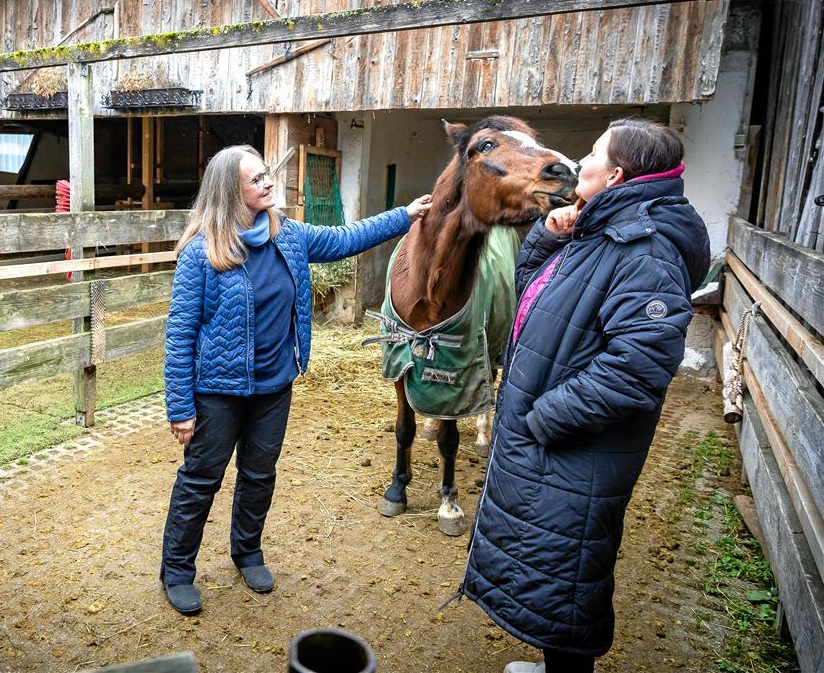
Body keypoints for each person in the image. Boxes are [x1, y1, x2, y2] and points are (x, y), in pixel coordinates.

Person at [459, 119, 710, 673]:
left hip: (573, 445)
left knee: (568, 571)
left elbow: (637, 370)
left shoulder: (644, 250)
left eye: (593, 151)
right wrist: (550, 234)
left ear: (616, 174)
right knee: (552, 566)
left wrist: (543, 417)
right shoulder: (599, 231)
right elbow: (533, 293)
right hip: (555, 443)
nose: (580, 158)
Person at [161, 144, 432, 614]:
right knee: (201, 480)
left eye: (267, 174)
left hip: (274, 385)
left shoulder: (289, 235)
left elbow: (347, 238)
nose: (268, 183)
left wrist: (404, 216)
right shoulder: (201, 253)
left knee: (259, 475)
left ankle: (247, 553)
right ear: (231, 192)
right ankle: (177, 570)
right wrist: (180, 407)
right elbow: (180, 333)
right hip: (216, 393)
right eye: (256, 179)